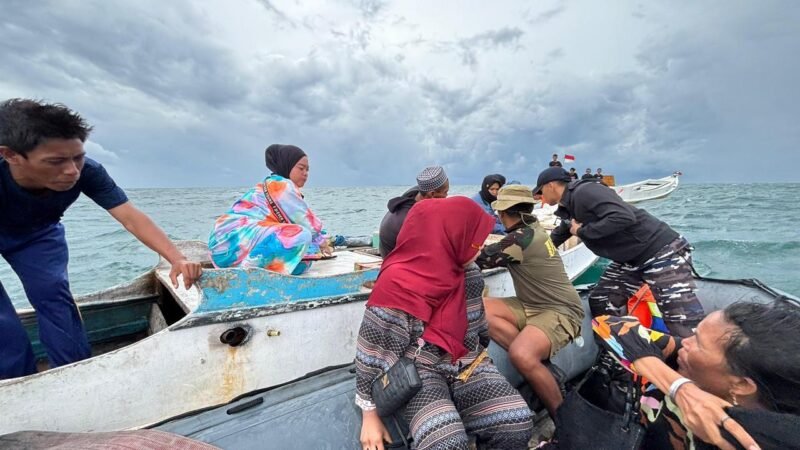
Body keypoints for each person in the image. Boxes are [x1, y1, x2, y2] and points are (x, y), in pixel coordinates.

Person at [0, 99, 202, 380]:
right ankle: (12, 386)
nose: (71, 170)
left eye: (77, 157)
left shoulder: (88, 172)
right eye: (55, 161)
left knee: (55, 298)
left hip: (38, 233)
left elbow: (130, 217)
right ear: (11, 155)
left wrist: (177, 258)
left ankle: (74, 377)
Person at [356, 197, 533, 450]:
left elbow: (478, 328)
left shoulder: (469, 273)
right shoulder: (398, 281)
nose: (481, 246)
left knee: (516, 421)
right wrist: (369, 414)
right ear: (450, 236)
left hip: (466, 362)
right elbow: (370, 350)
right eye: (474, 239)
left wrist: (480, 365)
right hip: (420, 370)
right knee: (446, 441)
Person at [592, 298, 800, 450]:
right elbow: (608, 325)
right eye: (695, 334)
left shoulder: (763, 435)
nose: (686, 342)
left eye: (698, 343)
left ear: (742, 385)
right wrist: (680, 388)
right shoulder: (684, 357)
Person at [534, 167, 704, 337]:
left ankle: (694, 360)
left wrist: (582, 232)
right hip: (630, 259)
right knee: (602, 301)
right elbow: (560, 234)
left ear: (550, 186)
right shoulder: (568, 206)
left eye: (540, 192)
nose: (539, 197)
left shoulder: (585, 191)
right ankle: (624, 348)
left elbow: (623, 216)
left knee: (680, 321)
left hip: (661, 252)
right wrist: (531, 255)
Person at [475, 185, 583, 419]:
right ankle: (542, 369)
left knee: (521, 355)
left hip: (559, 310)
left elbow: (479, 260)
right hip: (531, 304)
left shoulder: (521, 240)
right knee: (479, 309)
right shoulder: (532, 229)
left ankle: (561, 420)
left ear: (503, 213)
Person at [208, 144, 331, 276]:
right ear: (287, 165)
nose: (305, 173)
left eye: (307, 169)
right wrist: (322, 242)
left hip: (228, 248)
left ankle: (251, 270)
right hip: (230, 238)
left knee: (302, 263)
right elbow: (305, 220)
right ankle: (246, 276)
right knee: (302, 235)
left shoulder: (273, 184)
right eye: (301, 168)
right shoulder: (281, 185)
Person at [377, 165, 449, 257]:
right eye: (445, 192)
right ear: (432, 194)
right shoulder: (412, 218)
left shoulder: (416, 193)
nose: (447, 196)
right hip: (394, 260)